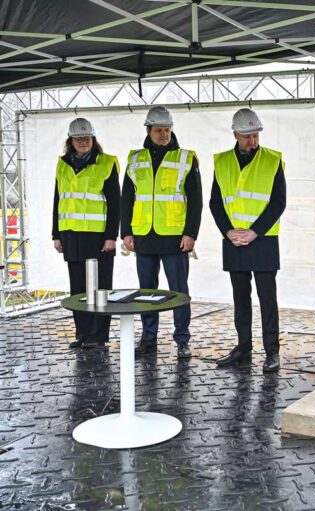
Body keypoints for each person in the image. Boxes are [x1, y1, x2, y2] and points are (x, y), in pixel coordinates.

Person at [120, 106, 203, 358]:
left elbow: (196, 200)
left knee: (179, 291)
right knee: (146, 292)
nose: (164, 134)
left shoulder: (186, 158)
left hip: (175, 237)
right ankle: (148, 339)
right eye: (159, 130)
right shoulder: (134, 159)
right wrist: (127, 232)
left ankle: (182, 340)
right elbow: (127, 199)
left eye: (167, 130)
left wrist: (191, 234)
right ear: (148, 130)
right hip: (144, 234)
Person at [210, 108, 286, 371]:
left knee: (268, 299)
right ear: (235, 134)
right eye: (246, 136)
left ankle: (272, 352)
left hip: (262, 240)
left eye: (255, 136)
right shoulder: (221, 162)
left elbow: (278, 203)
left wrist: (255, 231)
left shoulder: (273, 160)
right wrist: (228, 231)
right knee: (240, 299)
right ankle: (243, 348)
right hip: (233, 240)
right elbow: (215, 203)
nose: (252, 141)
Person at [53, 118, 121, 348]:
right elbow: (58, 199)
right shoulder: (62, 164)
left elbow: (115, 203)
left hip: (99, 237)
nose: (83, 142)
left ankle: (99, 336)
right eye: (79, 138)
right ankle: (82, 334)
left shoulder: (107, 163)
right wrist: (56, 234)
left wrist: (112, 236)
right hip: (71, 234)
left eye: (87, 138)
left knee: (100, 288)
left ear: (94, 139)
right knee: (78, 288)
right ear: (70, 141)